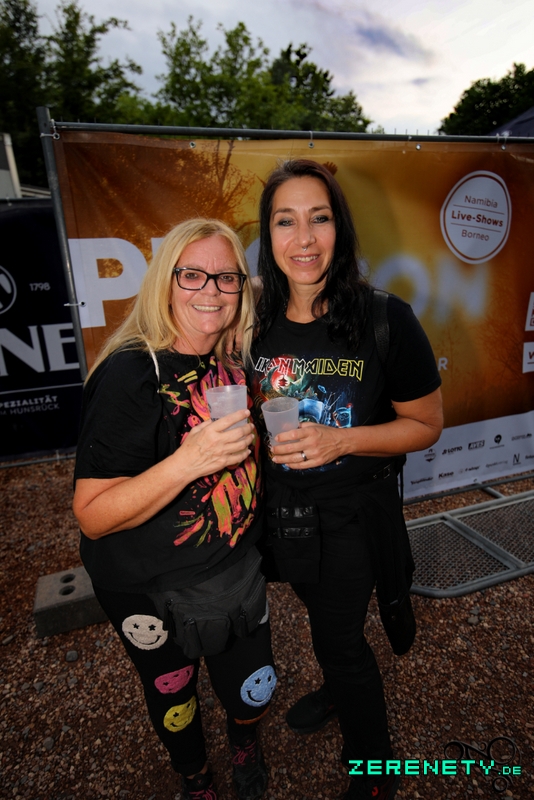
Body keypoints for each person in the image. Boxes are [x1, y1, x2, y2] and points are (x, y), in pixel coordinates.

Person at [248, 160, 443, 800]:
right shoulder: (252, 320)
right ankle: (337, 685)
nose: (304, 238)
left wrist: (343, 439)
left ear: (341, 228)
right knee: (322, 617)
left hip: (354, 517)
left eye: (320, 218)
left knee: (338, 639)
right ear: (268, 234)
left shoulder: (385, 317)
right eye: (286, 221)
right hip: (284, 515)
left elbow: (426, 424)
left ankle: (374, 768)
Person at [73, 218, 277, 800]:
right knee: (174, 693)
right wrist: (189, 461)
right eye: (192, 275)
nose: (211, 290)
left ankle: (245, 744)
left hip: (232, 569)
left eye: (226, 277)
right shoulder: (131, 372)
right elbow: (92, 514)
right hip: (147, 586)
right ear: (165, 283)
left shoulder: (230, 358)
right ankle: (194, 776)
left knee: (252, 686)